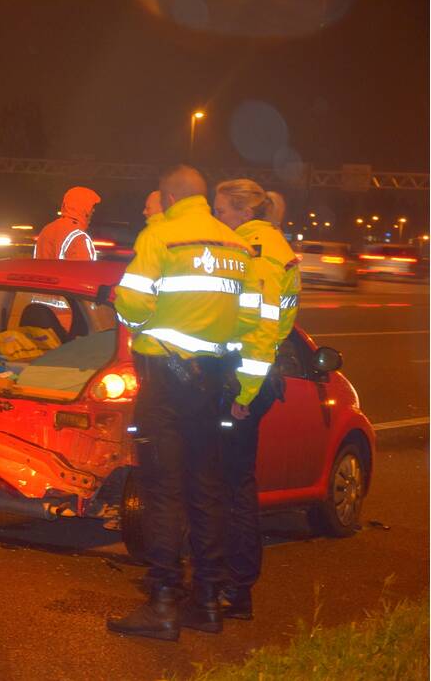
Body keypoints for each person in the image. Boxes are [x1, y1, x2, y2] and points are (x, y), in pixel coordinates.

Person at [107, 165, 261, 642]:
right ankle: (208, 602)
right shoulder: (237, 245)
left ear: (170, 197)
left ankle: (162, 603)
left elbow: (132, 303)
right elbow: (250, 320)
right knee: (206, 489)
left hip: (165, 380)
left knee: (161, 493)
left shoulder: (162, 236)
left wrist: (140, 318)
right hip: (211, 381)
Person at [212, 181, 301, 620]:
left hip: (243, 380)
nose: (217, 218)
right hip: (250, 376)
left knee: (233, 487)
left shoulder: (258, 252)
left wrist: (243, 393)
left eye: (221, 210)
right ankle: (228, 582)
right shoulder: (266, 245)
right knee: (231, 482)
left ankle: (235, 588)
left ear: (243, 212)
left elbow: (263, 328)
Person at [33, 186, 100, 260]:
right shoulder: (79, 238)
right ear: (85, 209)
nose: (93, 211)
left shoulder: (46, 230)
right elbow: (83, 267)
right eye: (91, 207)